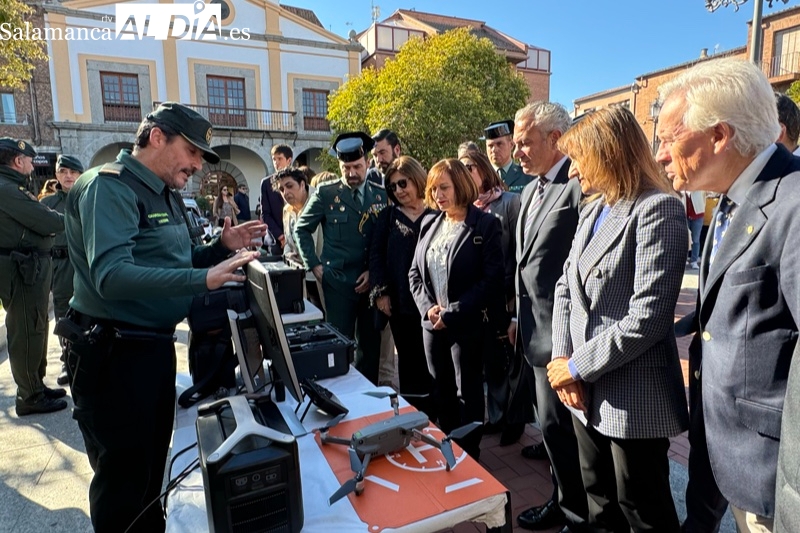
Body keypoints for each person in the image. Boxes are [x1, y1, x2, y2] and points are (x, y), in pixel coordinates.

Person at [63, 102, 266, 532]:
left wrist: (218, 249)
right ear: (157, 137)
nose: (197, 164)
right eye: (191, 152)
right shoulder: (110, 187)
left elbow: (172, 261)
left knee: (148, 477)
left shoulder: (163, 192)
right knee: (123, 487)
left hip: (148, 348)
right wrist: (202, 279)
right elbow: (112, 276)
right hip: (114, 356)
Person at [655, 57, 800, 532]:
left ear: (718, 136)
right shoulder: (733, 195)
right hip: (721, 448)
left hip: (770, 475)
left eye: (667, 139)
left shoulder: (793, 201)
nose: (658, 156)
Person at [548, 106, 688, 531]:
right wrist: (563, 364)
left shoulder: (658, 209)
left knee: (641, 510)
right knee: (599, 502)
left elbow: (647, 318)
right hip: (582, 391)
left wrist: (574, 366)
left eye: (578, 158)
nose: (572, 171)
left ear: (607, 153)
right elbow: (564, 288)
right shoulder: (594, 210)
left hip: (632, 397)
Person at [508, 102, 587, 532]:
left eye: (525, 142)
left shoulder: (578, 186)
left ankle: (572, 512)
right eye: (516, 143)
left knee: (563, 433)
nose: (518, 151)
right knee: (552, 431)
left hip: (564, 339)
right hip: (533, 329)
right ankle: (565, 501)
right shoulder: (529, 190)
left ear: (555, 139)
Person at [409, 158, 505, 460]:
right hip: (433, 327)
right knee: (441, 391)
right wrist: (428, 310)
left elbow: (492, 280)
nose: (438, 195)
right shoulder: (429, 222)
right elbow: (414, 273)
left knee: (469, 393)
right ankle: (449, 446)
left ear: (461, 186)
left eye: (444, 188)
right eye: (433, 189)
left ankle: (470, 454)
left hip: (468, 327)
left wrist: (452, 312)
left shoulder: (486, 225)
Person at [294, 132, 386, 385]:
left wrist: (374, 272)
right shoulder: (326, 194)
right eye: (346, 168)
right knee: (338, 347)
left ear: (367, 163)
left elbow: (385, 240)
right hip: (338, 282)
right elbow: (301, 229)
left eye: (357, 167)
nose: (352, 173)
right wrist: (314, 265)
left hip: (370, 285)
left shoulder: (380, 195)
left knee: (370, 348)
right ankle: (342, 394)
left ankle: (368, 396)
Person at [0, 137, 67, 416]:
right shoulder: (7, 189)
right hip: (22, 269)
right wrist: (59, 222)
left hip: (29, 266)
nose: (31, 164)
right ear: (18, 161)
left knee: (35, 325)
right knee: (27, 329)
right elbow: (50, 221)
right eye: (29, 160)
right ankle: (29, 396)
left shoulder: (12, 187)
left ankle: (35, 386)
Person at [459, 148, 522, 443]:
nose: (466, 172)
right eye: (461, 168)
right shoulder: (463, 208)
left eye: (470, 166)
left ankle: (512, 419)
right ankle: (494, 416)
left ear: (483, 168)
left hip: (505, 295)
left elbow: (518, 254)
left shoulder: (509, 203)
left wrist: (512, 301)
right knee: (488, 362)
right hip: (475, 299)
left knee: (506, 363)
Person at [369, 156, 434, 416]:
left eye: (403, 183)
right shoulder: (388, 217)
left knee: (435, 363)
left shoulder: (437, 213)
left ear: (417, 179)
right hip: (402, 304)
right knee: (409, 363)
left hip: (434, 304)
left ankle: (437, 416)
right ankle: (414, 416)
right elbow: (376, 256)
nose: (398, 191)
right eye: (393, 187)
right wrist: (381, 293)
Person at [41, 154, 84, 386]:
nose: (68, 176)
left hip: (85, 264)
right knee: (63, 314)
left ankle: (87, 360)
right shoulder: (46, 205)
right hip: (59, 265)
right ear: (56, 175)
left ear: (80, 174)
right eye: (63, 172)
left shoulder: (89, 198)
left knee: (90, 311)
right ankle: (67, 362)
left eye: (73, 172)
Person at [370, 128, 401, 388]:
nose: (378, 158)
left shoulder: (411, 176)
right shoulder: (369, 181)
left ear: (396, 150)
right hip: (378, 275)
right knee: (380, 342)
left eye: (382, 152)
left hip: (405, 274)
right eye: (375, 154)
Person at [275, 167, 325, 313]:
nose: (285, 193)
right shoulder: (287, 210)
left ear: (303, 184)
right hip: (299, 277)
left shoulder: (320, 201)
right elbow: (288, 242)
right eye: (281, 189)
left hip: (323, 275)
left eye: (289, 186)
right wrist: (287, 255)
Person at [484, 120, 532, 194]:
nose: (494, 150)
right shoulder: (482, 178)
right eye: (490, 146)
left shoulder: (527, 175)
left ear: (511, 145)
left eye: (499, 144)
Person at [260, 144, 291, 244]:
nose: (276, 162)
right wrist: (281, 237)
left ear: (289, 160)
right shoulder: (266, 184)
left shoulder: (299, 180)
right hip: (276, 239)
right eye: (274, 159)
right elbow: (265, 214)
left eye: (280, 159)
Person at [685, 190, 705, 269]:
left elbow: (704, 197)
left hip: (698, 216)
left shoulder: (698, 188)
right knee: (685, 238)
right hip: (685, 215)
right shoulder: (682, 189)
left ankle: (694, 261)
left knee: (695, 239)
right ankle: (684, 259)